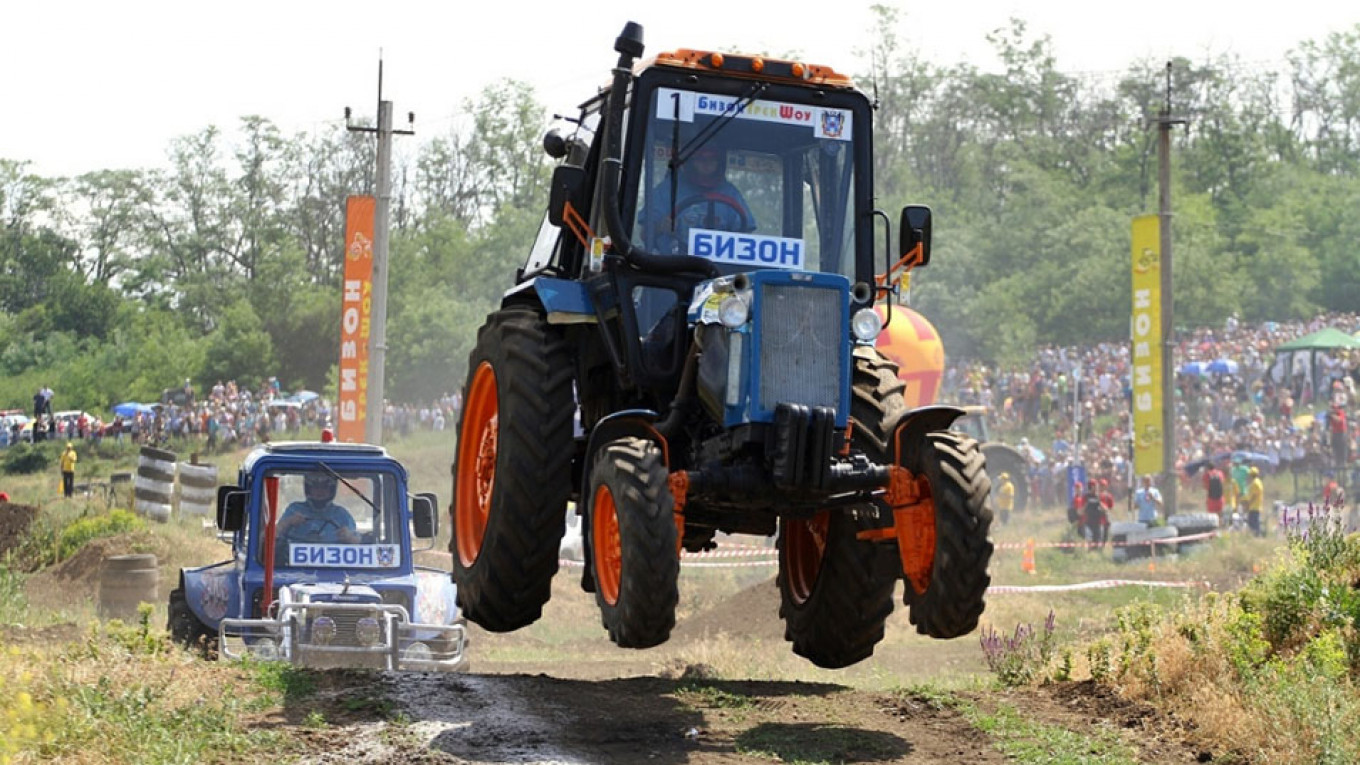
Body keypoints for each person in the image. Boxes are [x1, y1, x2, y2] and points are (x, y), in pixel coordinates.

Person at [641, 143, 754, 254]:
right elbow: (644, 234)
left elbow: (746, 238)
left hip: (719, 270)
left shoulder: (731, 193)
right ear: (690, 161)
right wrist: (661, 227)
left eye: (712, 159)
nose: (706, 164)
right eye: (700, 159)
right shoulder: (668, 189)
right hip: (670, 267)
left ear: (720, 162)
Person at [275, 473, 359, 555]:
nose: (319, 491)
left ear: (332, 489)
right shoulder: (294, 509)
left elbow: (358, 544)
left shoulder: (341, 514)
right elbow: (273, 535)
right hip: (291, 564)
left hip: (333, 565)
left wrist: (349, 537)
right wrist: (288, 522)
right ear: (308, 488)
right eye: (315, 487)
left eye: (324, 487)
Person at [1244, 466, 1265, 537]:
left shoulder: (1254, 483)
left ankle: (1256, 536)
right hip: (1256, 506)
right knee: (1255, 522)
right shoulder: (1258, 482)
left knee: (1253, 523)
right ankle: (1257, 535)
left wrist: (1248, 504)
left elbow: (1253, 496)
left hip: (1253, 506)